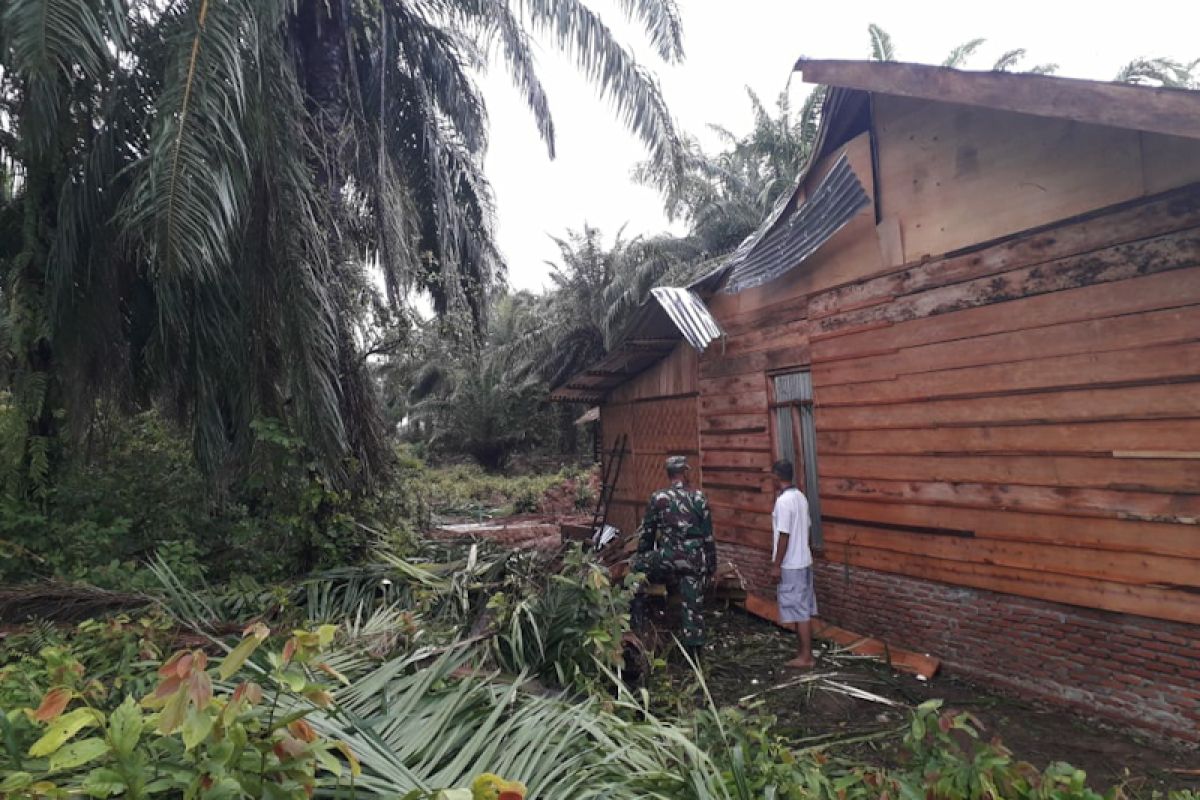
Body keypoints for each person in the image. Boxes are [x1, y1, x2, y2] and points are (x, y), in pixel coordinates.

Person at [629, 455, 717, 655]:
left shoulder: (658, 498)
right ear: (684, 473)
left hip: (667, 558)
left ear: (669, 475)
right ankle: (694, 653)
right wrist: (711, 566)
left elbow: (647, 534)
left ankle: (638, 617)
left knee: (636, 569)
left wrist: (642, 559)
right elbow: (708, 537)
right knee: (692, 603)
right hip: (694, 561)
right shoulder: (699, 498)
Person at [769, 459, 817, 669]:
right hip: (804, 561)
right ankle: (803, 652)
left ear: (777, 477)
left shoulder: (783, 502)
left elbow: (784, 535)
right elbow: (806, 528)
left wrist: (776, 565)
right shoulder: (801, 497)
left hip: (792, 564)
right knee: (802, 608)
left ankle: (806, 657)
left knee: (800, 611)